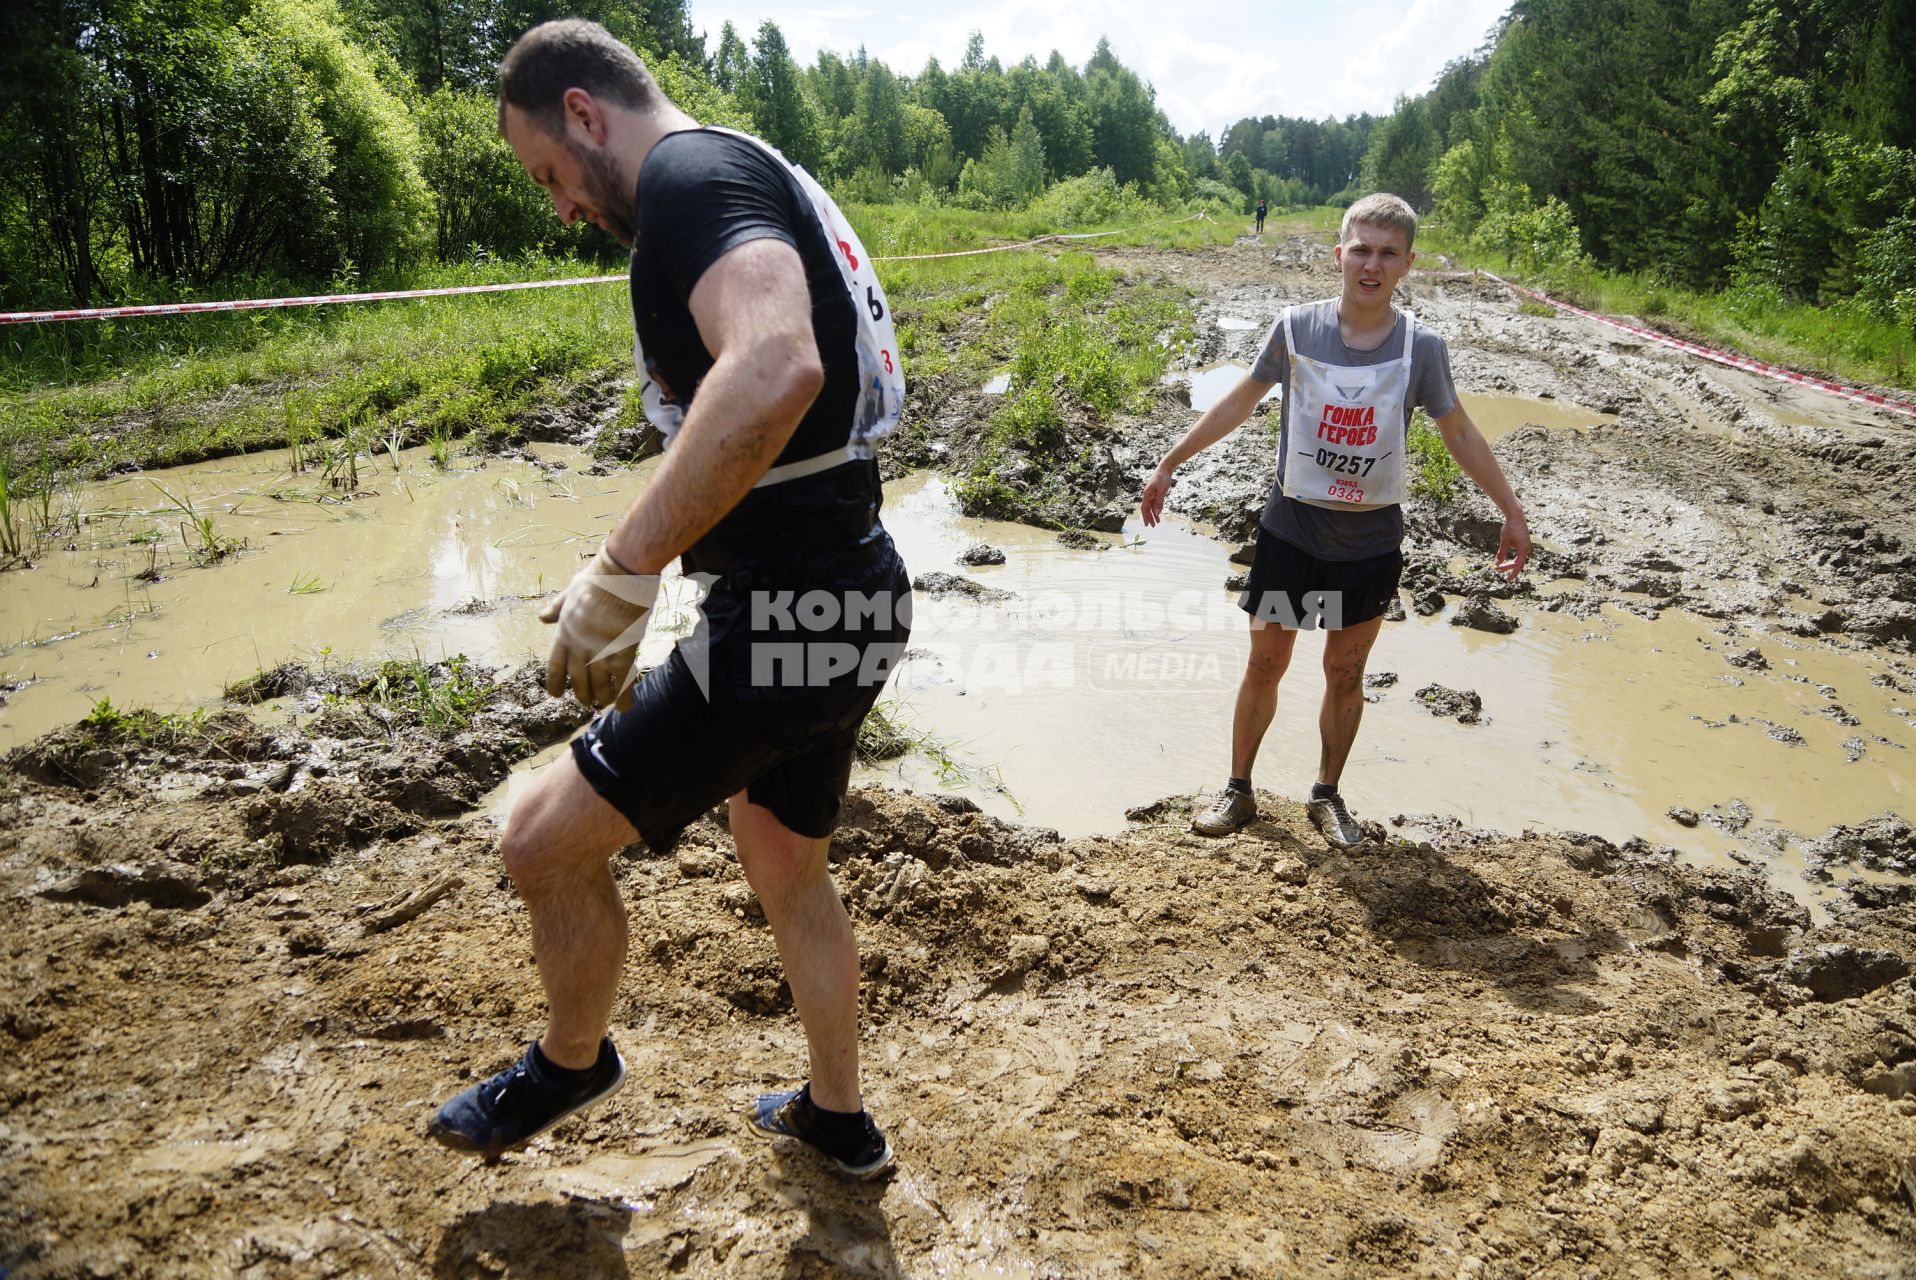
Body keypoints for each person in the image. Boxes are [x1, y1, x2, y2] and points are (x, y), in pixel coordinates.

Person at [428, 19, 910, 1180]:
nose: (558, 206)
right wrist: (644, 559)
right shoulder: (744, 163)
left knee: (538, 844)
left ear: (585, 113)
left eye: (548, 171)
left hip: (795, 613)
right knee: (783, 856)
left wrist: (629, 561)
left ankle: (569, 1060)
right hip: (855, 589)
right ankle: (838, 1120)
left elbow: (775, 363)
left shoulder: (691, 179)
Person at [1141, 193, 1528, 847]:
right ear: (1339, 254)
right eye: (1361, 250)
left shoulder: (1420, 348)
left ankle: (1327, 796)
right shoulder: (1295, 329)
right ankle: (1237, 790)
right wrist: (1169, 462)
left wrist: (1511, 512)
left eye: (1386, 253)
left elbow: (1458, 431)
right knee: (1265, 665)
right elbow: (1239, 400)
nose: (1371, 265)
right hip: (1291, 530)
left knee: (1346, 675)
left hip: (1370, 541)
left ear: (1407, 263)